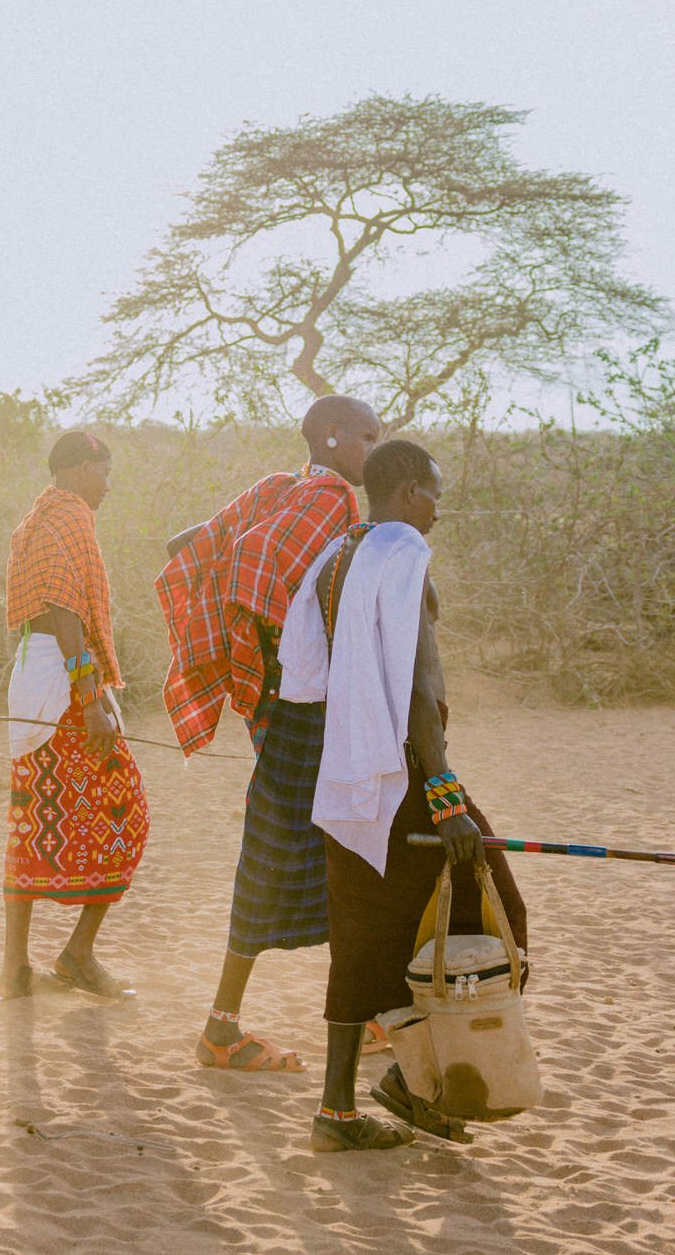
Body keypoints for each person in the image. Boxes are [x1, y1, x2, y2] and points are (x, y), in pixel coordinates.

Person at [273, 439, 527, 1151]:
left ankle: (338, 1112)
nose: (438, 511)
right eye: (435, 494)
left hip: (346, 776)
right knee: (496, 912)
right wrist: (444, 791)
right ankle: (416, 1085)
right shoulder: (402, 552)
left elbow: (304, 672)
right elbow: (419, 682)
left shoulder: (338, 556)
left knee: (363, 942)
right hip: (409, 773)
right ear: (410, 490)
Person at [153, 395, 382, 1072]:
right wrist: (287, 637)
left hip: (278, 701)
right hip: (304, 707)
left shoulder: (278, 488)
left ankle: (362, 1014)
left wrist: (255, 653)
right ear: (334, 436)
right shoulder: (333, 499)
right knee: (297, 853)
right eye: (367, 436)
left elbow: (190, 546)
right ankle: (221, 1029)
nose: (373, 447)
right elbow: (260, 565)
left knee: (336, 850)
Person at [0, 429, 150, 1000]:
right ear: (83, 467)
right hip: (61, 681)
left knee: (33, 819)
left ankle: (15, 969)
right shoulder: (68, 515)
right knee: (125, 812)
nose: (108, 484)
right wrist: (89, 694)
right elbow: (63, 605)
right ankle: (78, 954)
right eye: (105, 472)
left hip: (34, 675)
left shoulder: (41, 515)